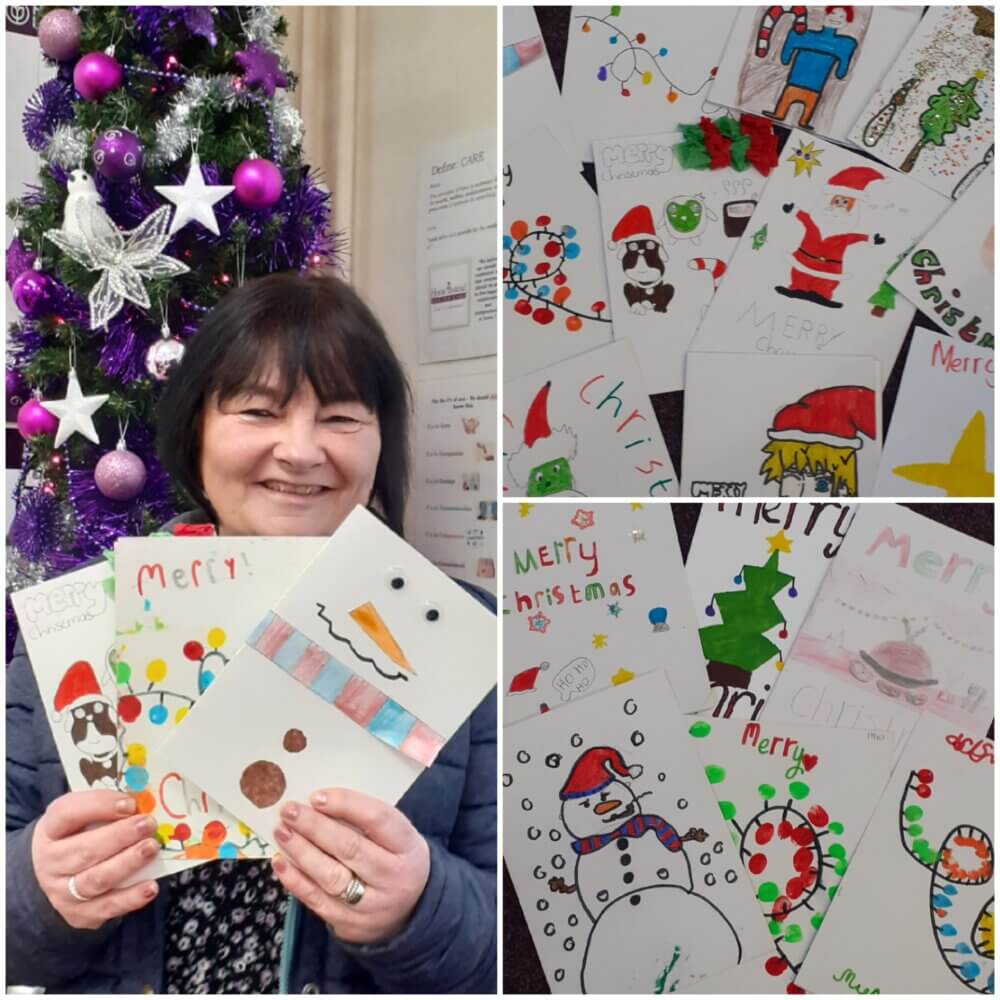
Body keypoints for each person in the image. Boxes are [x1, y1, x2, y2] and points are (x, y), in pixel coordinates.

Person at [6, 271, 497, 994]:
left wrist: (420, 907)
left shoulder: (465, 638)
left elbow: (516, 950)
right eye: (259, 412)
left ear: (381, 441)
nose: (300, 450)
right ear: (196, 429)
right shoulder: (75, 628)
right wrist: (36, 893)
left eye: (340, 417)